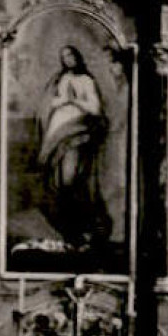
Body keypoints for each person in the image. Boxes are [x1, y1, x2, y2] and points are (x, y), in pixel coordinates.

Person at [38, 45, 110, 248]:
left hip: (77, 133)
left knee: (71, 181)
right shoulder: (61, 79)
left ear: (77, 57)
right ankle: (68, 233)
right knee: (57, 182)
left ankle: (82, 230)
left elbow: (95, 108)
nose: (67, 60)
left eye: (70, 55)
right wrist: (58, 101)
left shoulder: (86, 80)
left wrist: (73, 100)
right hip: (57, 133)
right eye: (63, 57)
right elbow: (53, 103)